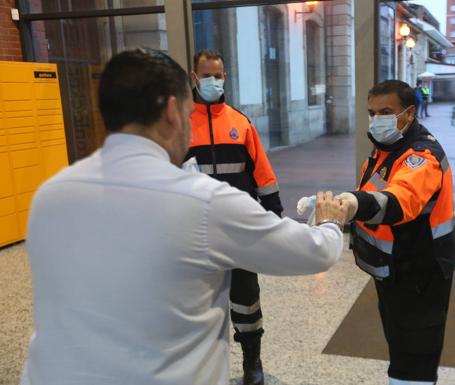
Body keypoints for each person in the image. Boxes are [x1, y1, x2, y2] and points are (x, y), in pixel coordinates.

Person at [20, 49, 350, 385]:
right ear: (172, 111)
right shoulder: (205, 202)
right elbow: (315, 252)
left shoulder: (50, 195)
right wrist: (329, 221)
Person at [337, 80, 455, 385]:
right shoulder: (385, 151)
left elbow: (398, 202)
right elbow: (372, 194)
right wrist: (344, 210)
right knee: (401, 342)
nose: (377, 119)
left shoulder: (421, 155)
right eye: (372, 112)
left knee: (415, 356)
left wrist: (353, 203)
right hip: (395, 269)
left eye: (386, 112)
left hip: (421, 272)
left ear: (409, 113)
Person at [186, 49, 281, 385]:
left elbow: (264, 176)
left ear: (225, 76)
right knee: (198, 305)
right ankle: (202, 367)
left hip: (238, 232)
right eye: (207, 75)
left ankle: (251, 361)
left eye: (219, 74)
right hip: (195, 234)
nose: (214, 81)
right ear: (194, 77)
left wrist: (274, 218)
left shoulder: (240, 123)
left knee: (245, 300)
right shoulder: (181, 125)